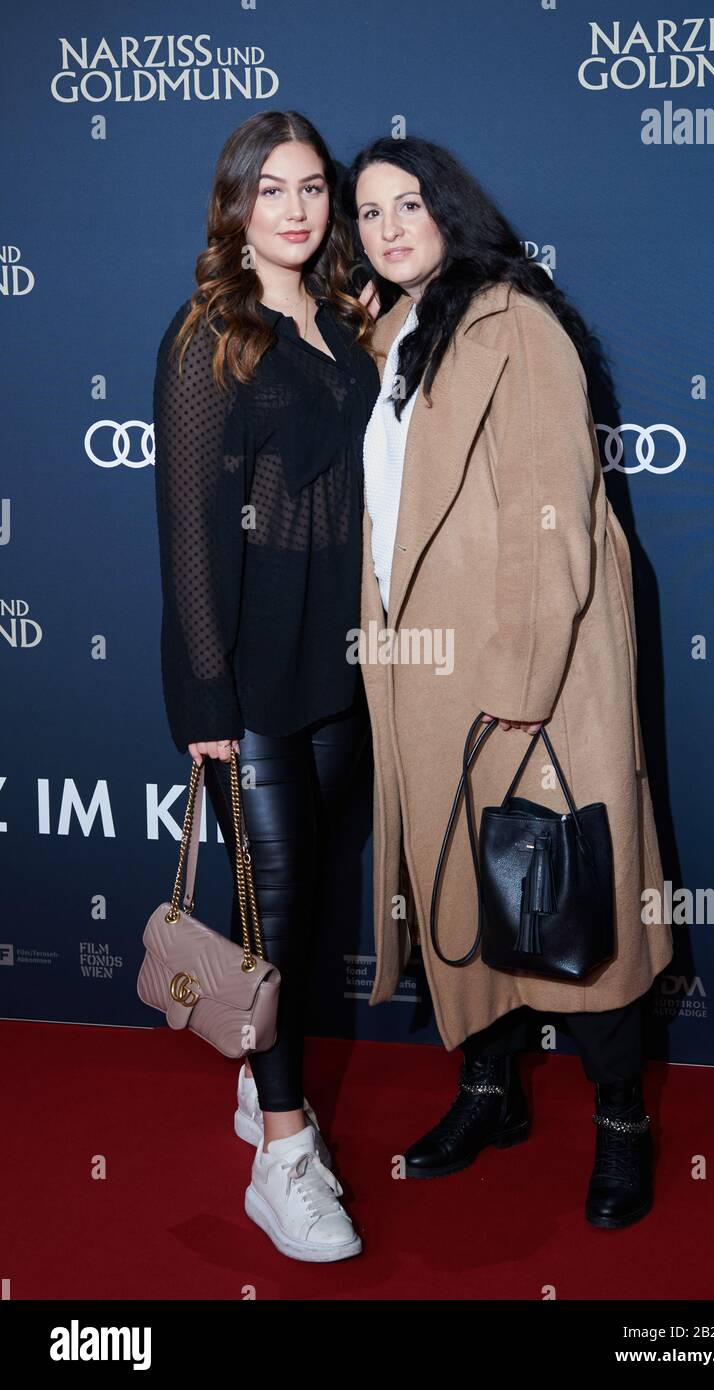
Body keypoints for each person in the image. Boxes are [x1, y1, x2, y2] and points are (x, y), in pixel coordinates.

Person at [347, 135, 674, 1228]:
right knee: (457, 890)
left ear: (450, 210)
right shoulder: (394, 334)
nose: (388, 229)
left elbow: (551, 512)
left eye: (407, 205)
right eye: (369, 213)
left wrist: (524, 675)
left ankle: (622, 1119)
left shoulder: (513, 324)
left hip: (519, 676)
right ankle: (488, 1090)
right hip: (424, 680)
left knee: (573, 898)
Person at [152, 110, 381, 1262]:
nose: (296, 210)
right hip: (250, 661)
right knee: (277, 914)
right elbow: (191, 530)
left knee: (305, 896)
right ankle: (281, 1153)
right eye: (272, 190)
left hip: (342, 656)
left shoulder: (344, 318)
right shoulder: (209, 334)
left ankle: (257, 1078)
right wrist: (203, 700)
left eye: (312, 189)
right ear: (235, 204)